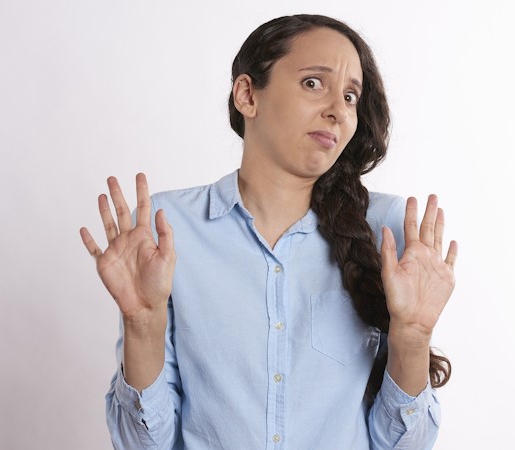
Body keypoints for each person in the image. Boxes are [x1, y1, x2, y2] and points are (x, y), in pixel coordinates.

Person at [80, 14, 458, 450]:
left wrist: (411, 337)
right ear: (247, 94)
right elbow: (142, 444)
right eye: (314, 83)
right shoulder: (167, 231)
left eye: (352, 96)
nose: (338, 110)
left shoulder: (386, 233)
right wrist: (141, 324)